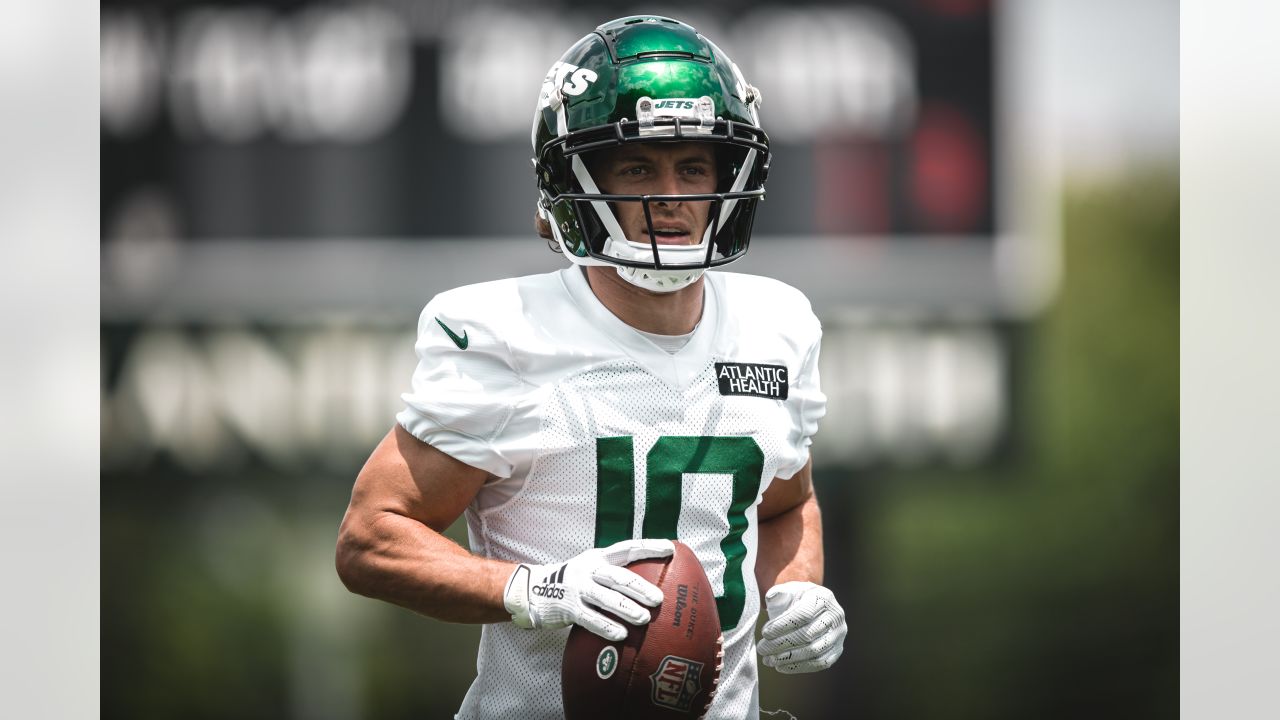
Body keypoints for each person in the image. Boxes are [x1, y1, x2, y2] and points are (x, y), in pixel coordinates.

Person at [336, 15, 847, 719]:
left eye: (693, 166)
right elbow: (371, 539)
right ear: (572, 178)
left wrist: (801, 588)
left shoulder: (776, 328)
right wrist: (534, 590)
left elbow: (788, 503)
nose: (670, 195)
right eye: (638, 166)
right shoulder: (508, 334)